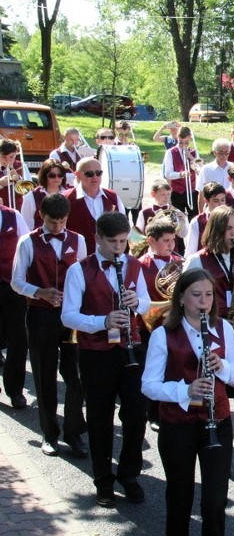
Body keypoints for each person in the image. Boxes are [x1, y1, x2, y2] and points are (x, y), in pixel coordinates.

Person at [142, 268, 234, 536]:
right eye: (196, 295)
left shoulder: (224, 329)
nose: (204, 301)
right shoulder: (163, 335)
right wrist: (184, 390)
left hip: (218, 422)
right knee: (179, 498)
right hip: (178, 425)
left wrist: (221, 366)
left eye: (209, 295)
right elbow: (148, 385)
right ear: (181, 298)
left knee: (214, 502)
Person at [61, 211, 150, 508]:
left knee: (137, 414)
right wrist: (103, 321)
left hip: (131, 349)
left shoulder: (134, 264)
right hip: (95, 353)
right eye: (112, 241)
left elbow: (148, 302)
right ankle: (103, 481)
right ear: (97, 239)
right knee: (100, 418)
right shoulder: (79, 270)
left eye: (123, 241)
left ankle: (129, 474)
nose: (118, 248)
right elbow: (69, 315)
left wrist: (137, 303)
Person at [184, 206, 234, 487]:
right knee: (207, 396)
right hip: (211, 331)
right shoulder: (196, 260)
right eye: (228, 229)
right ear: (215, 230)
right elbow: (184, 296)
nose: (233, 234)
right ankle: (206, 454)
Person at [11, 193, 87, 456]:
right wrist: (40, 292)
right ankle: (50, 434)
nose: (57, 227)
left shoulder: (78, 240)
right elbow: (16, 281)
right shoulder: (27, 242)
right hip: (40, 315)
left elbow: (84, 279)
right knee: (44, 376)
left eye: (62, 222)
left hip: (71, 315)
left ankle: (75, 432)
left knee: (76, 376)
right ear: (41, 216)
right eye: (52, 222)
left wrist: (74, 297)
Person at [137, 218, 183, 432]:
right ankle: (153, 413)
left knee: (174, 367)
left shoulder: (180, 261)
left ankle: (173, 407)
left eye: (173, 240)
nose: (171, 245)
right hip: (150, 326)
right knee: (155, 368)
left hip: (176, 324)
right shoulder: (139, 265)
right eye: (166, 241)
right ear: (151, 241)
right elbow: (141, 299)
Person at [0, 200, 32, 408]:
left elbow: (28, 248)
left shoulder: (13, 216)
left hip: (11, 287)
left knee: (19, 339)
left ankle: (15, 390)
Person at [64, 157, 126, 253]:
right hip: (77, 257)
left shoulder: (112, 197)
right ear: (78, 175)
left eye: (98, 173)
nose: (95, 177)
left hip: (109, 257)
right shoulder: (66, 199)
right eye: (89, 174)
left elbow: (124, 228)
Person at [21, 159, 73, 230]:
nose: (56, 178)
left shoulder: (71, 193)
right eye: (52, 175)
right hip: (40, 239)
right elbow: (26, 225)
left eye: (60, 175)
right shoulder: (32, 196)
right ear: (44, 175)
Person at [162, 126, 200, 218]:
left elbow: (200, 171)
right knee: (178, 221)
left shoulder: (194, 152)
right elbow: (168, 174)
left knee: (194, 218)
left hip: (193, 191)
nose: (183, 145)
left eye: (186, 143)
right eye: (180, 142)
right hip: (177, 192)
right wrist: (180, 174)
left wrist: (191, 157)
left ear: (190, 139)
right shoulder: (170, 152)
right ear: (177, 138)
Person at [185, 183, 228, 257]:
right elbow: (190, 251)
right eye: (216, 201)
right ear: (206, 201)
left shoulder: (230, 218)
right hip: (204, 263)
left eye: (223, 200)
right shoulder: (197, 222)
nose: (220, 204)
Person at [195, 138, 233, 213]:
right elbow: (201, 193)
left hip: (230, 207)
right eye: (220, 152)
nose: (224, 155)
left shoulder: (233, 167)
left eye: (226, 153)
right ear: (214, 152)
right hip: (213, 209)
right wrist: (201, 214)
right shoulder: (206, 169)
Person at [0, 138, 33, 210]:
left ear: (16, 153)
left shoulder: (21, 166)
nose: (8, 160)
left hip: (19, 210)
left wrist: (18, 180)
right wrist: (0, 184)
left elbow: (29, 193)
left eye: (11, 157)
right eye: (3, 157)